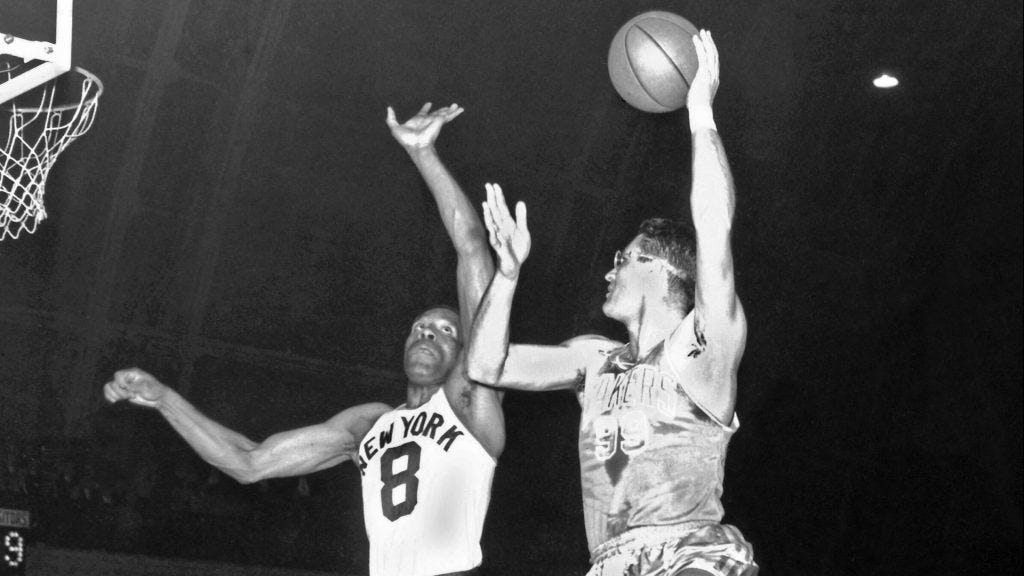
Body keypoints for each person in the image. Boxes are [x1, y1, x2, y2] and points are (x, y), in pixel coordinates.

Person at [104, 103, 504, 576]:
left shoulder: (468, 398)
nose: (426, 333)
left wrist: (423, 154)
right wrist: (164, 398)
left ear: (466, 351)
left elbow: (473, 249)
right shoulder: (368, 425)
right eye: (419, 327)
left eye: (444, 330)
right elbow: (248, 462)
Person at [466, 31, 757, 576]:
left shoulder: (705, 344)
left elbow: (714, 230)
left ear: (663, 269)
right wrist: (506, 275)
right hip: (611, 563)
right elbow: (486, 365)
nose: (609, 269)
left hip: (690, 551)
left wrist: (700, 114)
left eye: (623, 259)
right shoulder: (592, 361)